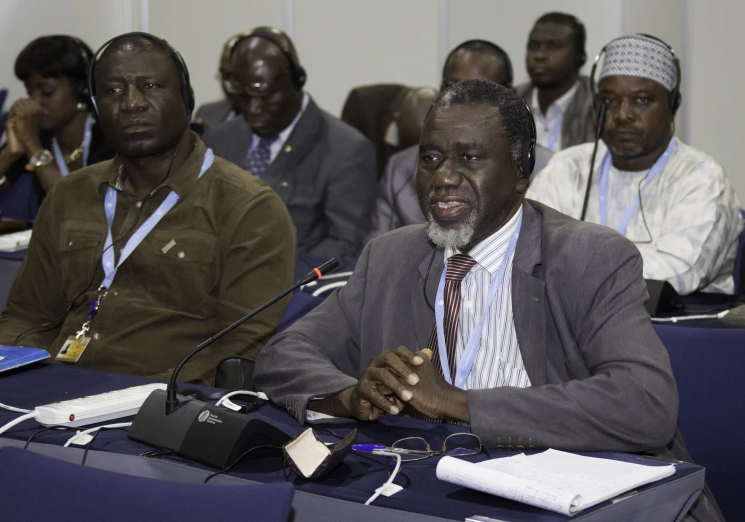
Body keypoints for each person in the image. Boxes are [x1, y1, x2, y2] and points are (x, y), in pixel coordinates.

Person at [254, 79, 721, 521]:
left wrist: (459, 404)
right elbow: (284, 356)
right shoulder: (390, 256)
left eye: (470, 158)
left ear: (521, 173)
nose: (444, 177)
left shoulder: (590, 256)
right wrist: (349, 395)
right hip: (433, 491)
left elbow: (644, 404)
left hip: (575, 496)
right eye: (431, 158)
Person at [0, 33, 296, 385]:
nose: (132, 103)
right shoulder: (69, 195)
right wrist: (26, 380)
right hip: (53, 394)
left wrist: (143, 399)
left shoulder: (249, 208)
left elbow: (240, 348)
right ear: (96, 108)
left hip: (159, 409)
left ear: (186, 101)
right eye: (113, 91)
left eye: (150, 85)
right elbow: (24, 316)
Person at [528, 34, 743, 295]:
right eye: (609, 101)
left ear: (672, 106)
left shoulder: (702, 178)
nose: (623, 115)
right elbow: (528, 249)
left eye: (641, 100)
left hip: (673, 331)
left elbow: (677, 274)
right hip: (571, 327)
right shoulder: (568, 167)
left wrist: (574, 269)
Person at [203, 27, 377, 258]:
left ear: (297, 81)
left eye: (266, 97)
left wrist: (271, 271)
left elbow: (346, 245)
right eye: (243, 96)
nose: (253, 109)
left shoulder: (347, 150)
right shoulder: (218, 139)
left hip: (294, 284)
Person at [369, 40, 552, 240]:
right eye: (453, 87)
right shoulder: (401, 166)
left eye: (480, 92)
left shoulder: (547, 167)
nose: (464, 102)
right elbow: (377, 253)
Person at [0, 35, 113, 214]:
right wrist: (9, 154)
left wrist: (33, 146)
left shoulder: (109, 135)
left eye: (46, 92)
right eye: (29, 91)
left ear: (82, 89)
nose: (35, 101)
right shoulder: (40, 134)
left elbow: (78, 211)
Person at [515, 12, 597, 151]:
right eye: (534, 46)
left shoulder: (598, 104)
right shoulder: (510, 101)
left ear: (580, 57)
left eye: (554, 47)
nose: (540, 55)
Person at [193, 33, 242, 129]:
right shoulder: (206, 113)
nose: (228, 85)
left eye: (234, 76)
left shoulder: (265, 119)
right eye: (224, 75)